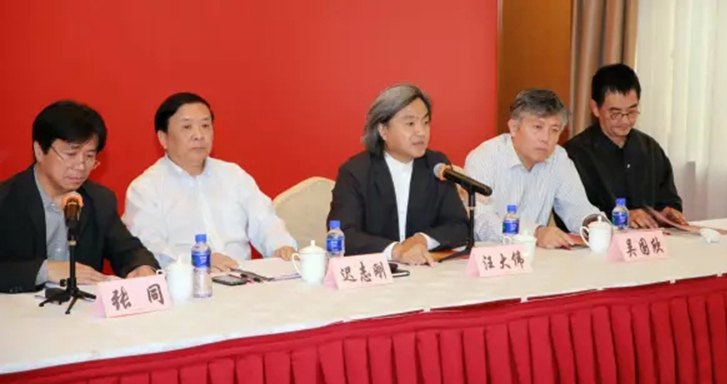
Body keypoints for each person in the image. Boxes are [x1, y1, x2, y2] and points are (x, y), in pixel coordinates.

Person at [123, 92, 296, 271]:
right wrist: (199, 260)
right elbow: (149, 247)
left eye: (205, 125)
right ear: (163, 138)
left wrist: (280, 246)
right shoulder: (145, 188)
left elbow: (265, 220)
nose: (199, 135)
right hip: (186, 281)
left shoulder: (233, 175)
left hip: (243, 277)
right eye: (187, 127)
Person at [0, 101, 158, 293]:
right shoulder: (6, 199)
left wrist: (141, 267)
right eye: (71, 153)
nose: (81, 166)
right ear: (40, 151)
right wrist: (44, 271)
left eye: (89, 156)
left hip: (81, 309)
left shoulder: (99, 200)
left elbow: (129, 250)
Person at [327, 84, 469, 265]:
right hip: (377, 271)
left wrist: (422, 239)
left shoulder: (436, 165)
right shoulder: (356, 171)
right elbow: (344, 233)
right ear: (383, 130)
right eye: (410, 124)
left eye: (425, 122)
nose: (421, 131)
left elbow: (459, 226)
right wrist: (396, 250)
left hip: (426, 270)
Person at [465, 89, 603, 248]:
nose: (546, 138)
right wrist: (535, 232)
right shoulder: (484, 158)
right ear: (514, 127)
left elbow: (578, 208)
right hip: (492, 255)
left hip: (537, 256)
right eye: (538, 127)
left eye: (554, 130)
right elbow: (480, 222)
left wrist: (598, 226)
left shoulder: (558, 158)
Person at [564, 63, 685, 228]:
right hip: (601, 241)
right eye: (615, 114)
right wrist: (620, 217)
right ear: (595, 108)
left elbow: (669, 200)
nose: (625, 120)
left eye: (632, 112)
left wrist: (668, 213)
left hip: (649, 240)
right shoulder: (575, 154)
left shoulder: (650, 149)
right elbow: (573, 215)